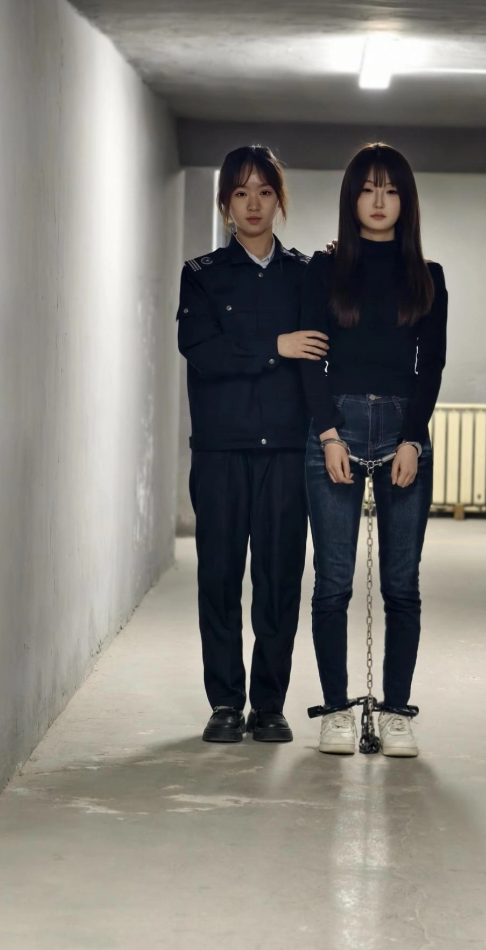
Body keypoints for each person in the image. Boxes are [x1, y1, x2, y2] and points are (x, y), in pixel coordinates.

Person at [177, 145, 328, 744]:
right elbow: (202, 351)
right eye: (241, 193)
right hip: (220, 451)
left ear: (279, 200)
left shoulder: (305, 275)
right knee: (218, 576)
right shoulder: (202, 275)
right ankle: (224, 703)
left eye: (264, 191)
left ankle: (269, 704)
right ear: (226, 205)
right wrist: (275, 348)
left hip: (286, 452)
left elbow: (320, 353)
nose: (253, 204)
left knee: (280, 578)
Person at [300, 143, 448, 758]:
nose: (379, 200)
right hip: (336, 427)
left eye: (390, 189)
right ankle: (336, 710)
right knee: (333, 581)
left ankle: (395, 713)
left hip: (400, 430)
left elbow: (430, 366)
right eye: (368, 189)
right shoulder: (324, 268)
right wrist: (328, 434)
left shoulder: (428, 276)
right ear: (352, 198)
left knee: (401, 584)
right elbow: (310, 360)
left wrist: (413, 437)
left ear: (405, 200)